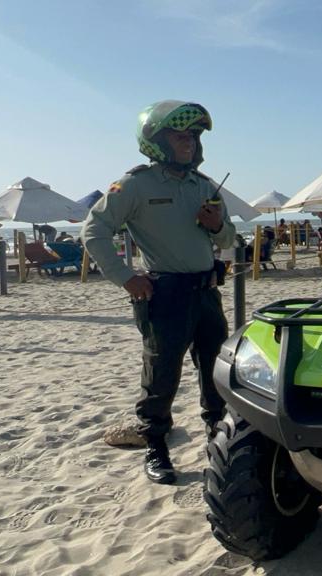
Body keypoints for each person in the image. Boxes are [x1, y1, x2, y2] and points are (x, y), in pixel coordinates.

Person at [82, 100, 235, 485]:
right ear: (156, 141)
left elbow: (231, 238)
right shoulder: (135, 185)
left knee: (216, 371)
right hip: (164, 295)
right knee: (161, 373)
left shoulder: (203, 185)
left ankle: (218, 439)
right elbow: (94, 230)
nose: (189, 143)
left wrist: (216, 226)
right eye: (180, 136)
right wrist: (125, 277)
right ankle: (156, 446)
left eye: (193, 137)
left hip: (207, 293)